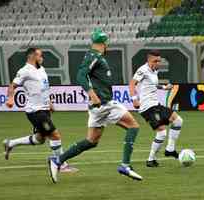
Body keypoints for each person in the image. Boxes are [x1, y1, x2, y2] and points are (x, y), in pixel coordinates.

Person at [48, 28, 142, 183]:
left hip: (98, 107)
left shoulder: (96, 56)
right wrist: (92, 94)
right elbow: (80, 75)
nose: (108, 45)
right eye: (107, 42)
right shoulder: (94, 56)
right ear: (104, 43)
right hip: (105, 103)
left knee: (92, 141)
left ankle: (57, 160)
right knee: (133, 126)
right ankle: (125, 165)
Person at [3, 47, 76, 173]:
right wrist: (10, 98)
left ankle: (11, 143)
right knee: (55, 135)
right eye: (40, 55)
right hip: (36, 111)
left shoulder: (41, 69)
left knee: (40, 139)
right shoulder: (25, 71)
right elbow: (12, 86)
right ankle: (61, 164)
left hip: (44, 109)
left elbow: (44, 88)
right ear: (32, 56)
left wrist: (50, 102)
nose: (42, 58)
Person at [129, 50, 183, 167]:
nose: (158, 63)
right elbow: (132, 84)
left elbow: (152, 84)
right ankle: (150, 160)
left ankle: (170, 149)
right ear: (149, 60)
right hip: (146, 107)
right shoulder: (142, 70)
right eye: (155, 61)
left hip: (155, 104)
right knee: (162, 133)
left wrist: (164, 87)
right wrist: (134, 99)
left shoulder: (155, 70)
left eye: (159, 61)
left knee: (178, 121)